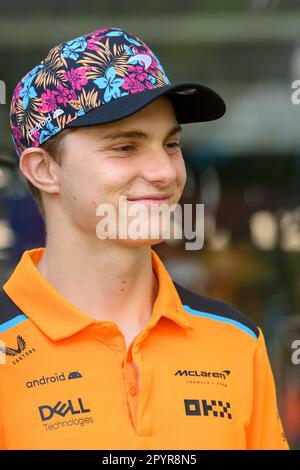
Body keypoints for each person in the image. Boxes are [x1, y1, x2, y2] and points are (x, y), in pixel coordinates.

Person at [0, 26, 289, 450]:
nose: (166, 172)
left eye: (171, 145)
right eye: (125, 147)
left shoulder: (236, 339)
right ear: (44, 170)